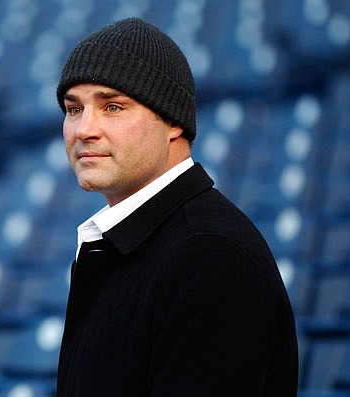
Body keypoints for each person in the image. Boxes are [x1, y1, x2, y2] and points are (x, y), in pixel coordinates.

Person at [54, 17, 298, 397]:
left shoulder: (210, 255)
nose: (84, 129)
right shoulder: (134, 244)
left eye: (113, 107)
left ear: (172, 121)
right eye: (73, 108)